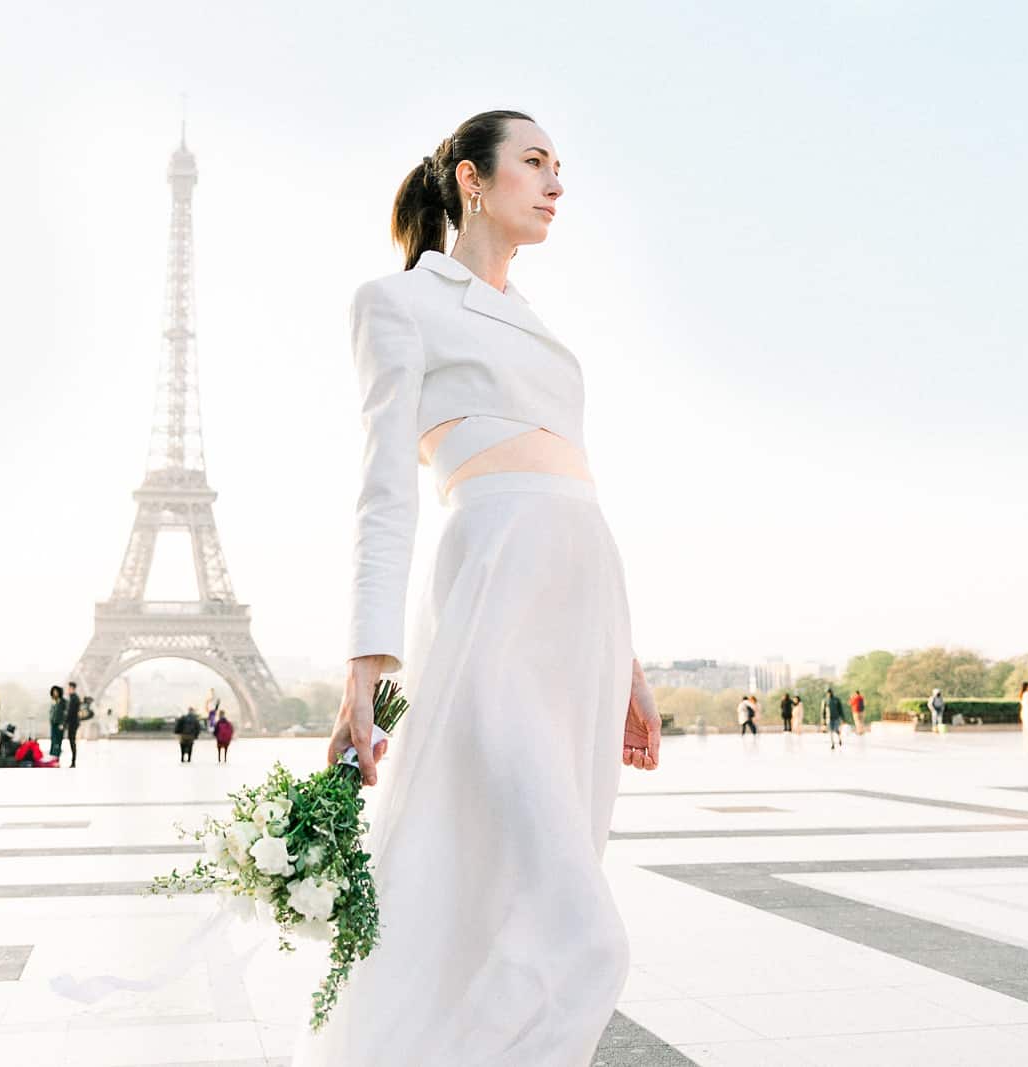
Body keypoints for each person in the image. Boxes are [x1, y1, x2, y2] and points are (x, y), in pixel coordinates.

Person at [299, 111, 661, 1067]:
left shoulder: (541, 328)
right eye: (534, 163)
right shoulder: (399, 302)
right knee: (585, 936)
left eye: (560, 169)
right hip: (495, 591)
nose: (554, 183)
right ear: (471, 177)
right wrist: (366, 668)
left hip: (581, 608)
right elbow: (383, 493)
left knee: (523, 910)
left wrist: (629, 663)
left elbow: (577, 493)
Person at [63, 684, 83, 767]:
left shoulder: (74, 698)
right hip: (73, 722)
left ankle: (73, 762)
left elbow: (71, 712)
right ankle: (73, 762)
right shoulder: (74, 698)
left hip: (73, 723)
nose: (68, 690)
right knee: (72, 741)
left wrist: (65, 723)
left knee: (72, 741)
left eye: (69, 688)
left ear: (72, 688)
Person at [46, 685, 67, 760]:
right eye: (53, 691)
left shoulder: (63, 701)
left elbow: (65, 714)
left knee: (58, 740)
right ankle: (52, 756)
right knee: (53, 740)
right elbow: (51, 712)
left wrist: (63, 724)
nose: (55, 693)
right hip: (53, 724)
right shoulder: (53, 701)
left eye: (56, 691)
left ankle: (57, 757)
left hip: (59, 724)